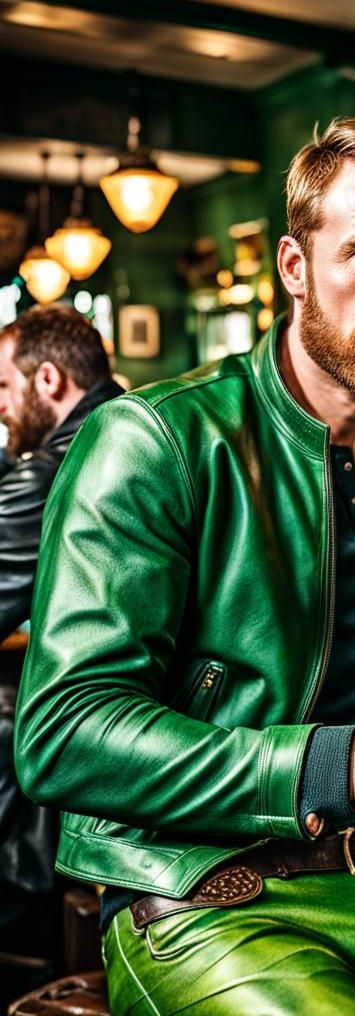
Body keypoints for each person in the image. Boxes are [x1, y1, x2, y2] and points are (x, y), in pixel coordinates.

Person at [15, 114, 355, 1015]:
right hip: (202, 900)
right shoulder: (155, 439)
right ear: (295, 267)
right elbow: (65, 732)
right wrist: (343, 764)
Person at [0, 305, 122, 960]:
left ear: (48, 379)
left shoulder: (55, 467)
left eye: (4, 387)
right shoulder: (141, 429)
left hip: (96, 762)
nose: (1, 407)